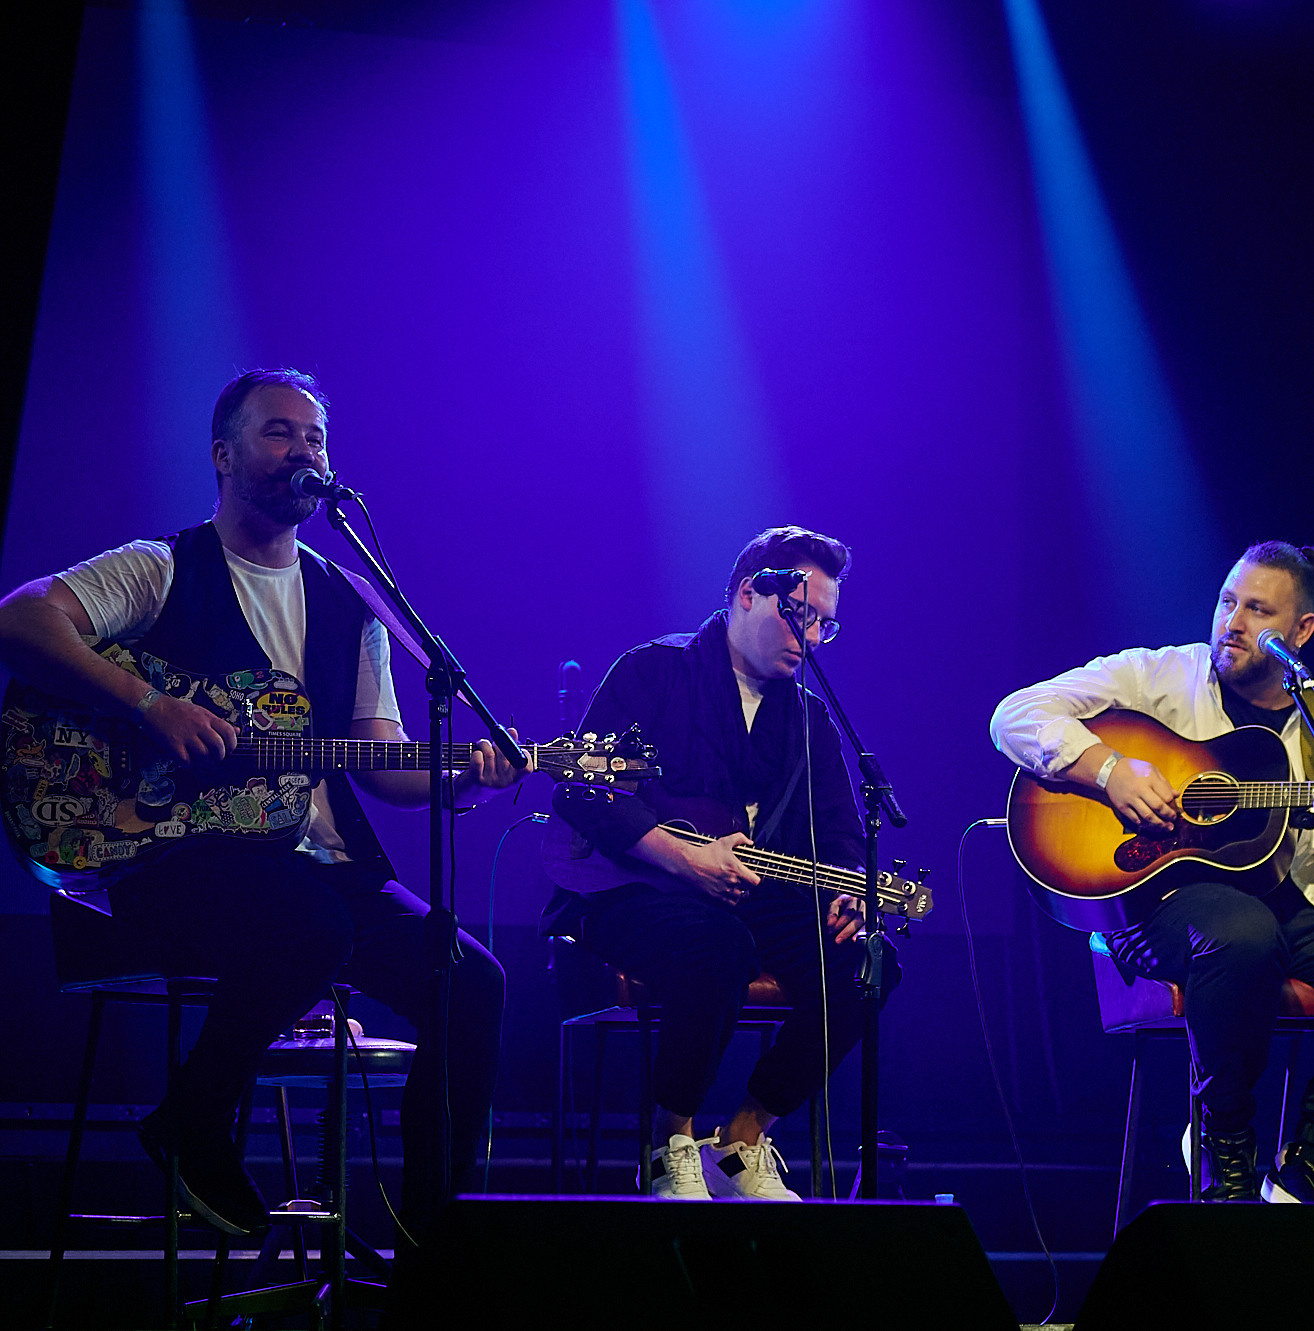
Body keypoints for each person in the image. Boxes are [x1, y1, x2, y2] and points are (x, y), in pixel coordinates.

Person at [0, 368, 521, 1237]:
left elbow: (384, 763)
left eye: (315, 438)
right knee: (312, 925)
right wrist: (149, 705)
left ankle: (439, 1241)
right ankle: (191, 1121)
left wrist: (465, 772)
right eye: (280, 433)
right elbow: (20, 619)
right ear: (223, 454)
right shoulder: (162, 568)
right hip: (172, 856)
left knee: (470, 986)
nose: (303, 452)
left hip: (322, 872)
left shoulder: (350, 601)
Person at [990, 540, 1314, 1203]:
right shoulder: (1158, 676)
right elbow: (1015, 715)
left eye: (1256, 608)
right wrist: (1112, 770)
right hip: (1158, 899)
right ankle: (1223, 1138)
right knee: (1242, 932)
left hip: (1293, 905)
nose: (1232, 620)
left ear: (1301, 631)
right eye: (1227, 600)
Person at [543, 526, 897, 1200]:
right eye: (801, 614)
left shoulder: (809, 719)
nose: (813, 636)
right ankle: (669, 1143)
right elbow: (581, 789)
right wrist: (681, 855)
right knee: (717, 945)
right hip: (626, 889)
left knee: (868, 968)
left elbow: (843, 833)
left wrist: (851, 888)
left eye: (826, 622)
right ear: (745, 594)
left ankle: (741, 1140)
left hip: (749, 895)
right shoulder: (653, 669)